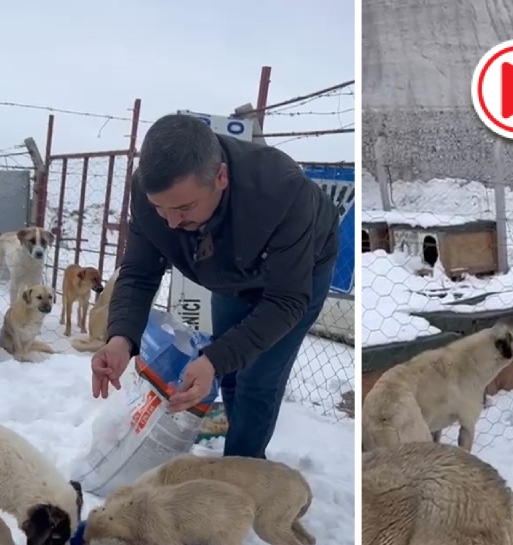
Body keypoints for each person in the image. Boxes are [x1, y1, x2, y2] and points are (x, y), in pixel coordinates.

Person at [90, 113, 339, 460]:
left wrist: (214, 360)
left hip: (297, 275)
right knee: (230, 370)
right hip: (230, 273)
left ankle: (242, 471)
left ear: (220, 176)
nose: (172, 223)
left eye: (184, 208)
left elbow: (286, 301)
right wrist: (121, 338)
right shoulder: (152, 191)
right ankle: (239, 454)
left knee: (258, 379)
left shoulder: (282, 190)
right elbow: (139, 272)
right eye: (160, 208)